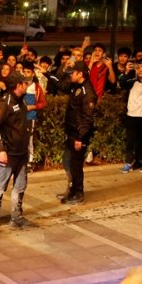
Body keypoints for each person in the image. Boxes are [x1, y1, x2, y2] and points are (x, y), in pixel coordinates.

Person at [0, 71, 33, 228]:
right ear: (18, 85)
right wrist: (0, 150)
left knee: (20, 186)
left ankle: (16, 216)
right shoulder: (4, 103)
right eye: (25, 83)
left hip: (21, 153)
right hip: (7, 153)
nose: (27, 85)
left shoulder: (22, 101)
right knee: (0, 186)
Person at [58, 60, 96, 205]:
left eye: (73, 73)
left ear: (80, 74)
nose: (71, 76)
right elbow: (61, 85)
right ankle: (72, 189)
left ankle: (78, 192)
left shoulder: (87, 93)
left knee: (75, 164)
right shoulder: (77, 86)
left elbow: (87, 118)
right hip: (72, 132)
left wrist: (81, 138)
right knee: (68, 161)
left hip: (79, 135)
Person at [119, 55, 142, 175]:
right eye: (138, 67)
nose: (140, 69)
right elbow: (123, 83)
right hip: (132, 115)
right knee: (131, 141)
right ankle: (128, 163)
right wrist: (126, 72)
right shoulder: (132, 81)